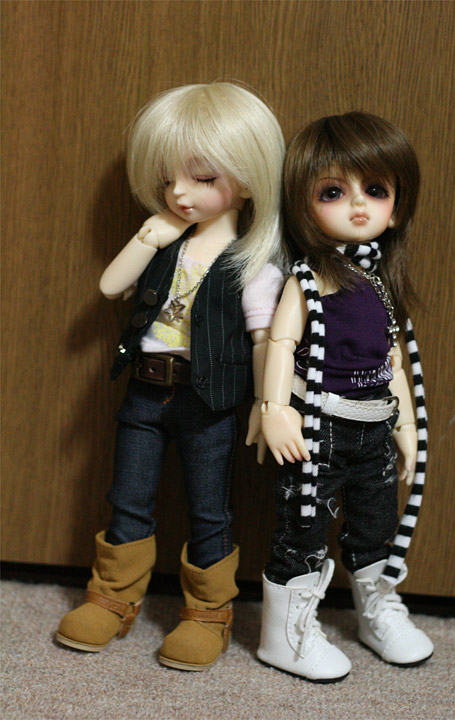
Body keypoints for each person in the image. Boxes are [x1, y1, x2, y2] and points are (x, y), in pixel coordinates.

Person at [57, 82, 286, 671]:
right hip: (143, 392)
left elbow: (268, 341)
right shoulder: (164, 244)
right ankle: (112, 595)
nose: (179, 193)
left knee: (210, 509)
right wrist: (148, 235)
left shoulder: (251, 266)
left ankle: (208, 611)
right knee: (128, 496)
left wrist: (269, 405)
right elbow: (111, 286)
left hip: (209, 402)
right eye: (168, 179)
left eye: (202, 178)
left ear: (248, 180)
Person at [253, 112, 433, 682]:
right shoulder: (308, 279)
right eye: (333, 192)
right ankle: (284, 635)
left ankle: (376, 610)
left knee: (376, 522)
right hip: (319, 429)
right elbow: (281, 343)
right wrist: (274, 409)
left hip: (375, 426)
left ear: (396, 207)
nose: (357, 205)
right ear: (305, 206)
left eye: (375, 190)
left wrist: (407, 428)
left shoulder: (383, 282)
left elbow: (393, 363)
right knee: (303, 526)